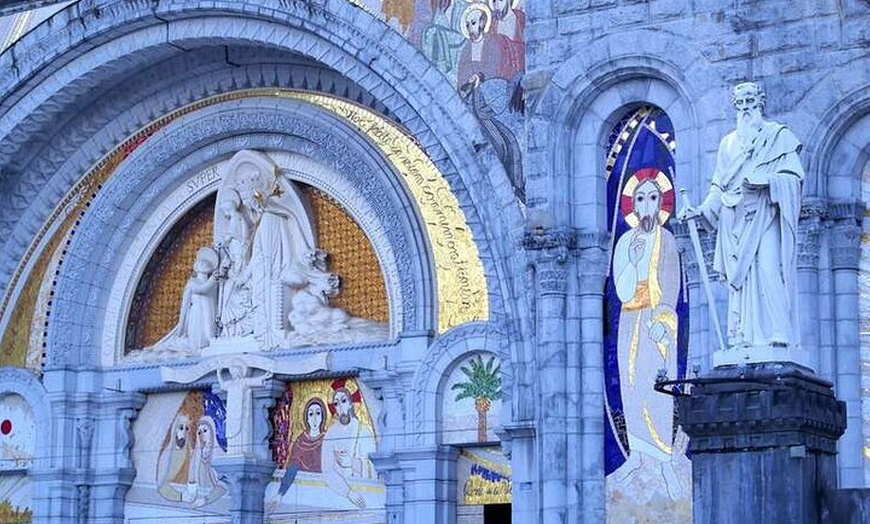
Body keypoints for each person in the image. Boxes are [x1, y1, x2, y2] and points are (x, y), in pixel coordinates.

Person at [682, 82, 804, 349]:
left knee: (768, 268)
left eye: (750, 101)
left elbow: (794, 178)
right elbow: (719, 185)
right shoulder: (727, 144)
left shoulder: (778, 136)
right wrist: (701, 210)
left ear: (761, 102)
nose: (746, 108)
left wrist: (766, 182)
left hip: (764, 213)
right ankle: (742, 336)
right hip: (733, 219)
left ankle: (779, 330)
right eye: (740, 103)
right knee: (741, 281)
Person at [610, 168, 683, 499]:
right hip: (630, 321)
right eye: (640, 199)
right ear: (634, 205)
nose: (646, 205)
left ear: (660, 203)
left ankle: (664, 462)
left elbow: (672, 283)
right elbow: (622, 289)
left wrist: (663, 320)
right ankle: (638, 457)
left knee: (657, 389)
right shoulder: (626, 242)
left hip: (657, 322)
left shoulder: (667, 240)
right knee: (631, 387)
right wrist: (632, 261)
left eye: (653, 198)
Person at [320, 382, 376, 508]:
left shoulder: (363, 431)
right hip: (338, 492)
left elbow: (374, 467)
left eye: (343, 401)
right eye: (336, 404)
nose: (340, 407)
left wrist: (351, 463)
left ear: (351, 404)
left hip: (364, 491)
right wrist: (349, 493)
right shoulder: (331, 434)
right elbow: (327, 470)